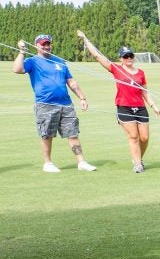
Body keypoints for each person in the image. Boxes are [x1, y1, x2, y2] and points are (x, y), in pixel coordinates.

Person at [77, 31, 160, 173]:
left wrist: (154, 106)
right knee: (133, 136)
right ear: (121, 59)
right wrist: (86, 40)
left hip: (140, 108)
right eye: (125, 56)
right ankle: (137, 164)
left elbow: (145, 92)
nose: (128, 58)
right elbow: (98, 56)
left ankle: (139, 158)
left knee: (145, 137)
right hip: (124, 107)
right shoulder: (116, 69)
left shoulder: (140, 73)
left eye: (130, 55)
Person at [12, 34, 97, 173]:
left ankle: (81, 162)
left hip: (66, 104)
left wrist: (82, 97)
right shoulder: (32, 61)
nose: (46, 46)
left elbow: (71, 82)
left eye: (48, 44)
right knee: (47, 134)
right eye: (43, 44)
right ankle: (48, 163)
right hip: (45, 104)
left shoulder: (60, 61)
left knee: (72, 133)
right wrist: (22, 51)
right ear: (36, 46)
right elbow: (17, 69)